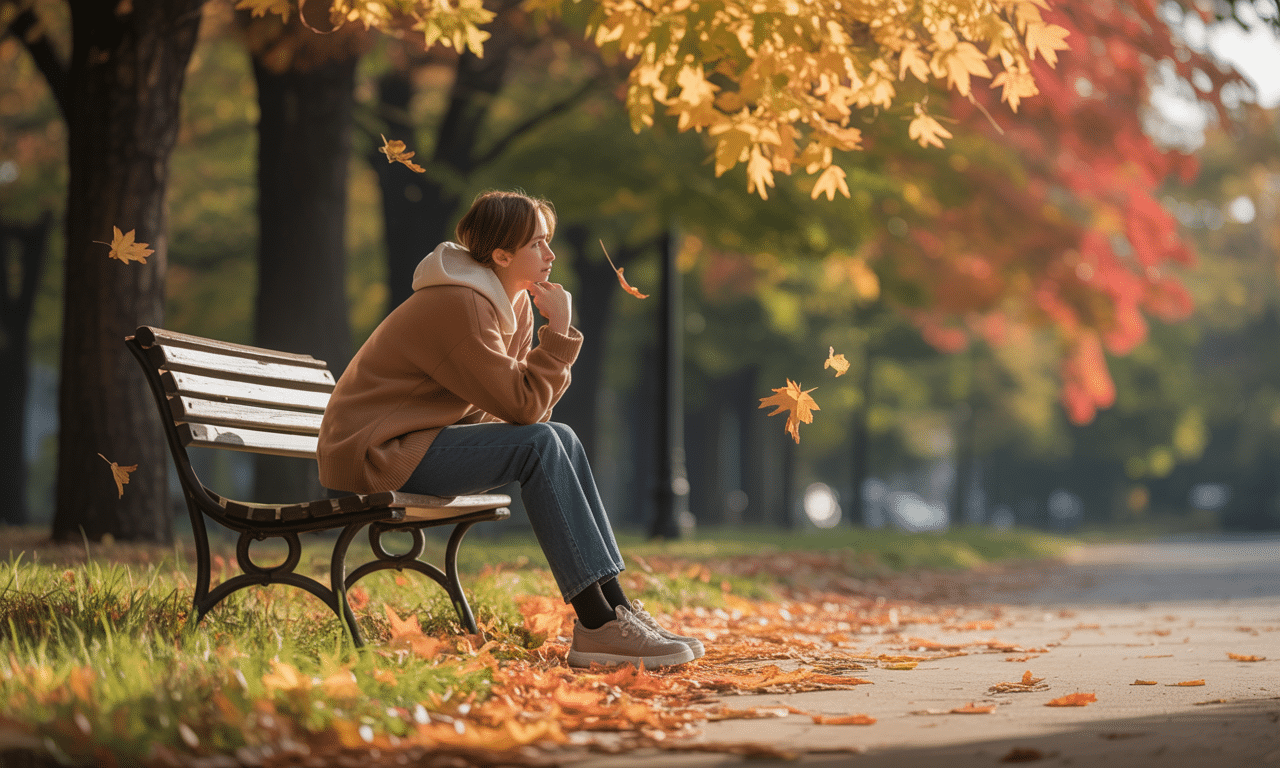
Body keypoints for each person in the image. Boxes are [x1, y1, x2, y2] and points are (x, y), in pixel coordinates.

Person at [317, 190, 704, 669]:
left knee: (560, 437)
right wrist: (559, 331)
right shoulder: (461, 304)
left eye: (548, 241)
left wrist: (548, 340)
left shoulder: (510, 304)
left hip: (415, 442)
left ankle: (615, 610)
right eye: (537, 244)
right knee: (541, 443)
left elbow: (526, 409)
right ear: (501, 255)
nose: (550, 254)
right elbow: (523, 407)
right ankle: (598, 623)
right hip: (375, 454)